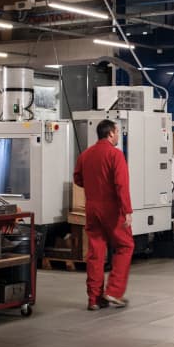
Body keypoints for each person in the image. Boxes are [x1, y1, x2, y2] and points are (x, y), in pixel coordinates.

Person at [73, 120, 134, 311]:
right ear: (110, 134)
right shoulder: (115, 155)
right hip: (112, 209)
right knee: (126, 245)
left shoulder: (85, 155)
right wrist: (127, 211)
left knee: (96, 251)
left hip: (91, 207)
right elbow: (121, 185)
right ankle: (114, 291)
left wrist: (94, 188)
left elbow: (78, 178)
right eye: (117, 132)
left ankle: (94, 299)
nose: (118, 135)